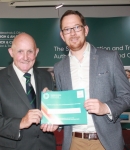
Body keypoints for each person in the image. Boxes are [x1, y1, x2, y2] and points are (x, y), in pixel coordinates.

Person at [54, 10, 130, 150]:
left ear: (86, 30)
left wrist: (105, 107)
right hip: (74, 142)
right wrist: (51, 109)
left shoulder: (110, 58)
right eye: (67, 29)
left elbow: (127, 96)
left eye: (77, 27)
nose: (73, 33)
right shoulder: (59, 68)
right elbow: (63, 108)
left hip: (105, 143)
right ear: (62, 35)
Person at [0, 32, 58, 150]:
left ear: (36, 52)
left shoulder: (46, 76)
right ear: (11, 52)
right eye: (20, 51)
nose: (26, 57)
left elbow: (53, 112)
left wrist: (55, 120)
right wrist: (20, 122)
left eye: (30, 51)